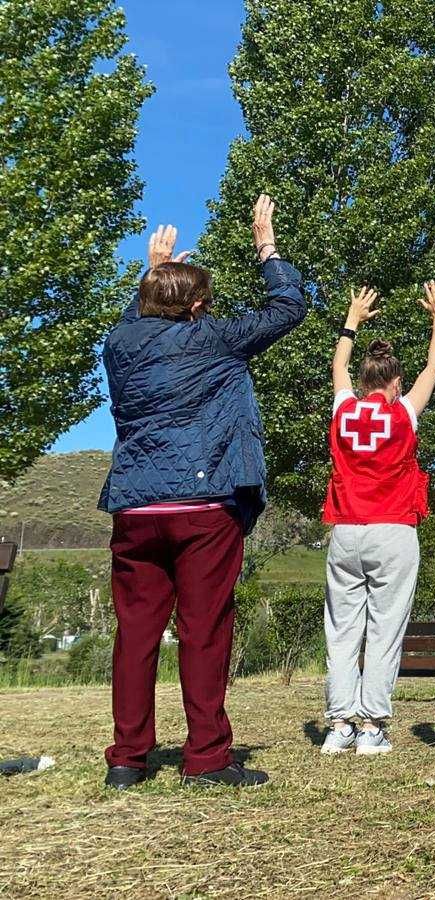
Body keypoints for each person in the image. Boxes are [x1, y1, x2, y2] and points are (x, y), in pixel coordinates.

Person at [99, 196, 303, 789]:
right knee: (204, 629)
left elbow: (131, 325)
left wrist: (150, 273)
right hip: (202, 505)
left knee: (136, 633)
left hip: (135, 505)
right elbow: (288, 306)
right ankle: (207, 758)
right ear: (197, 306)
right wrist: (266, 245)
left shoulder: (120, 345)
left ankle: (128, 760)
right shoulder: (214, 338)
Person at [319, 281, 435, 756]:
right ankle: (372, 725)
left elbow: (338, 367)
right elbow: (434, 365)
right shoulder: (404, 414)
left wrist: (352, 319)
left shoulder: (345, 410)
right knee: (385, 628)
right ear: (395, 383)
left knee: (342, 630)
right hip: (393, 529)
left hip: (346, 531)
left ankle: (338, 724)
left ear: (365, 380)